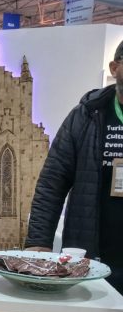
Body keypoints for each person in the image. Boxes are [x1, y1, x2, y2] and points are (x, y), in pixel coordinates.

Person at [24, 40, 123, 294]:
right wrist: (38, 242)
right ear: (114, 68)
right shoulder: (86, 116)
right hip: (94, 258)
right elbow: (52, 183)